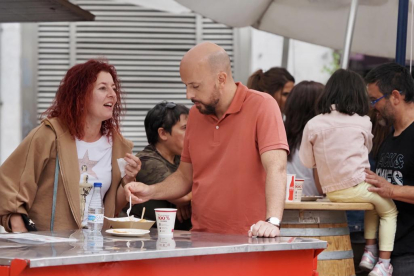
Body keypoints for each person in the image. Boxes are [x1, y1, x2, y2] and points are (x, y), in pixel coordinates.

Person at [125, 42, 289, 237]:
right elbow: (185, 177)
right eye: (186, 86)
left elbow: (276, 168)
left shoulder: (262, 105)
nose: (188, 95)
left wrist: (272, 221)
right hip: (201, 238)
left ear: (221, 79)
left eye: (195, 86)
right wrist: (150, 191)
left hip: (250, 238)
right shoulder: (194, 115)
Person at [0, 59, 140, 232]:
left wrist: (127, 180)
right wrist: (22, 234)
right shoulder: (49, 135)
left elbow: (112, 209)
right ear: (80, 96)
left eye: (114, 88)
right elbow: (7, 185)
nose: (112, 94)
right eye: (103, 88)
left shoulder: (119, 146)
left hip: (95, 249)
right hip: (49, 251)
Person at [299, 69, 398, 276]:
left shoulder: (313, 123)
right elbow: (366, 149)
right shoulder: (363, 121)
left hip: (332, 193)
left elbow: (307, 161)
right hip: (357, 187)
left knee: (372, 204)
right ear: (358, 95)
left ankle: (369, 252)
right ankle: (383, 262)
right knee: (388, 211)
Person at [365, 62, 414, 276]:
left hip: (409, 255)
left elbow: (391, 188)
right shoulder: (389, 137)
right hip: (387, 254)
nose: (372, 106)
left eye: (375, 99)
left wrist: (391, 190)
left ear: (395, 96)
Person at [126, 101, 192, 230]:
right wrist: (184, 198)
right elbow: (181, 195)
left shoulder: (182, 158)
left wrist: (190, 198)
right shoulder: (146, 161)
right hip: (147, 241)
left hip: (177, 237)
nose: (192, 134)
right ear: (162, 133)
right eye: (185, 128)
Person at [284, 81, 324, 196]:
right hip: (317, 210)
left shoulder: (278, 136)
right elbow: (323, 187)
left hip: (283, 209)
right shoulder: (319, 139)